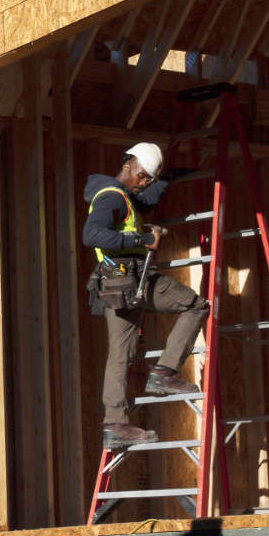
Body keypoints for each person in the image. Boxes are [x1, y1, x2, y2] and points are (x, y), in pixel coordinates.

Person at [85, 142, 209, 445]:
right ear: (127, 164)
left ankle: (115, 425)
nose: (144, 183)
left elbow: (145, 201)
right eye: (142, 176)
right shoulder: (113, 198)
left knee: (120, 353)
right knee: (196, 306)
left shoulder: (124, 196)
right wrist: (142, 239)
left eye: (148, 180)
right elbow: (92, 233)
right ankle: (165, 372)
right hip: (132, 279)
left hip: (115, 285)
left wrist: (168, 176)